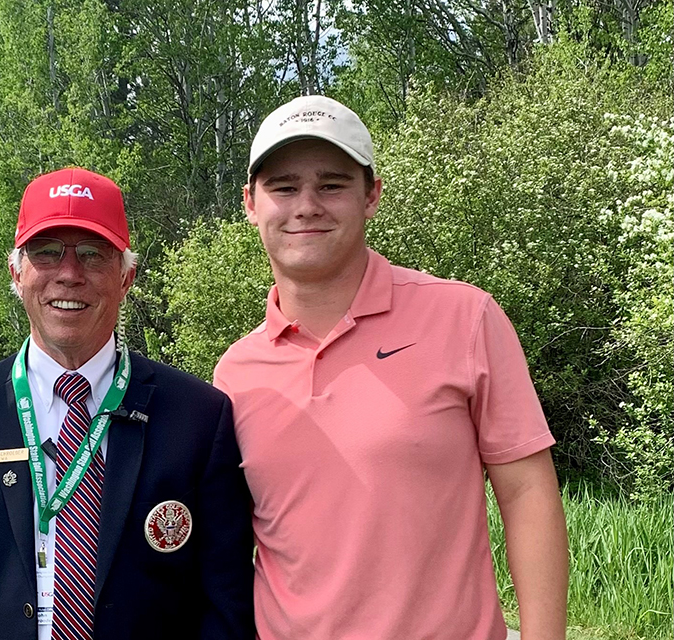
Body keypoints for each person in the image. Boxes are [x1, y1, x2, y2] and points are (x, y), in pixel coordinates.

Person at [213, 95, 570, 640]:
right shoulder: (235, 372)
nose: (306, 205)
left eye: (332, 185)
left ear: (371, 195)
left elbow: (527, 494)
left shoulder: (464, 317)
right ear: (250, 204)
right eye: (283, 187)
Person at [0, 167, 254, 640]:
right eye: (46, 252)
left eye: (92, 254)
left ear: (126, 277)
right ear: (16, 273)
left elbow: (225, 605)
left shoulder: (198, 418)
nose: (69, 274)